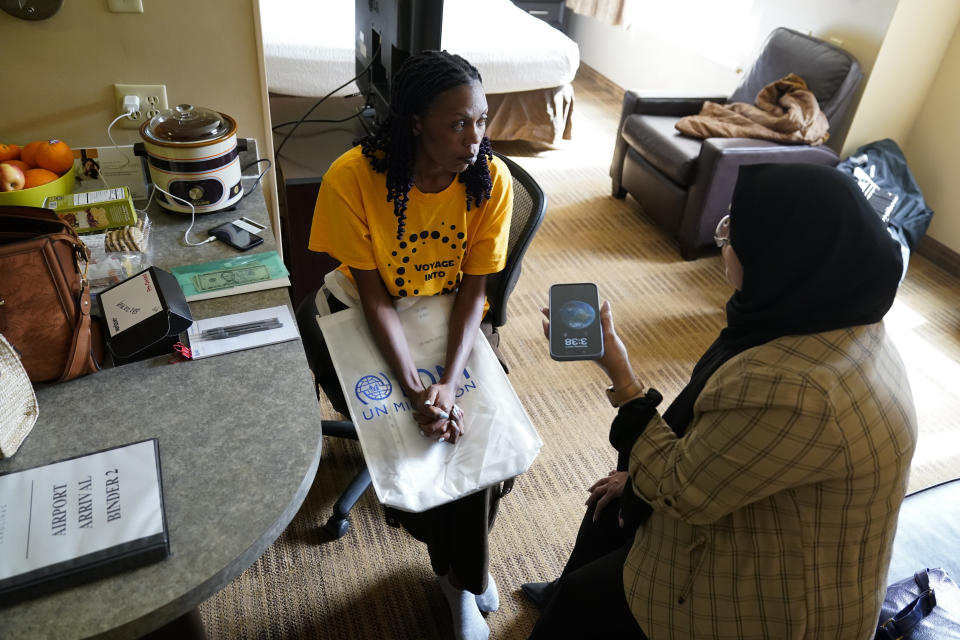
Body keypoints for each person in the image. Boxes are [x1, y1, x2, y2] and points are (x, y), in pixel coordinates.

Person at [526, 163, 917, 639]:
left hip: (774, 606)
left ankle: (569, 597)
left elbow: (679, 489)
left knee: (577, 608)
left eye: (736, 232)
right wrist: (637, 476)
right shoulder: (837, 314)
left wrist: (622, 377)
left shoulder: (794, 389)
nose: (724, 238)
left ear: (779, 257)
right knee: (612, 500)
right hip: (768, 510)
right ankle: (570, 584)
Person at [307, 50, 513, 640]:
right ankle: (463, 580)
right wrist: (415, 388)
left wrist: (446, 384)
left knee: (488, 438)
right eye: (458, 123)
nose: (476, 137)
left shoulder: (487, 179)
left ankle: (461, 573)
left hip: (449, 314)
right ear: (415, 122)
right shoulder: (353, 177)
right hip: (365, 317)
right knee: (426, 451)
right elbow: (374, 300)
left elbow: (475, 294)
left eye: (482, 119)